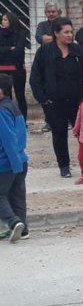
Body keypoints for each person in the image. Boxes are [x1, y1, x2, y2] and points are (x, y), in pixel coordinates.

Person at [30, 18, 83, 178]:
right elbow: (35, 78)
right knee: (59, 134)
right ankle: (64, 166)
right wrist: (43, 99)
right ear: (56, 33)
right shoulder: (44, 52)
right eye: (66, 32)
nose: (70, 35)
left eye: (71, 32)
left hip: (77, 102)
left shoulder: (78, 51)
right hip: (54, 103)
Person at [0, 74, 28, 243]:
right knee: (17, 196)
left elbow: (9, 139)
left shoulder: (1, 111)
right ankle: (23, 230)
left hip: (7, 163)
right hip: (20, 159)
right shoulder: (13, 106)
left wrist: (15, 165)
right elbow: (21, 136)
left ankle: (13, 222)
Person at [0, 11, 27, 120]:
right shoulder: (0, 33)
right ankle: (7, 118)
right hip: (2, 69)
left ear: (12, 20)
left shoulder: (21, 32)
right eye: (2, 19)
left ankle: (22, 120)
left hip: (17, 68)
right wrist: (10, 48)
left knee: (20, 95)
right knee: (5, 96)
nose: (3, 22)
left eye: (5, 19)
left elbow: (19, 51)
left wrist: (4, 50)